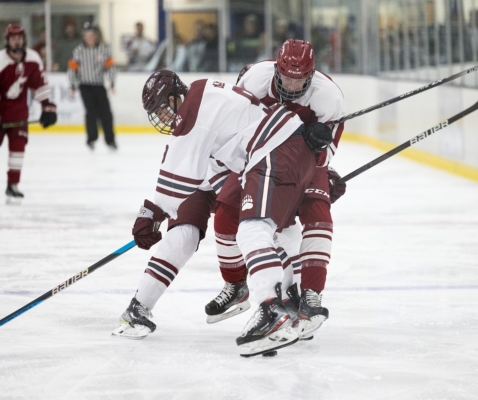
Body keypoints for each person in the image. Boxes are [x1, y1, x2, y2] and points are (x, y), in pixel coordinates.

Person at [112, 69, 334, 357]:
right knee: (261, 232)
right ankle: (286, 299)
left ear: (175, 96)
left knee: (254, 230)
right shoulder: (210, 102)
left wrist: (151, 213)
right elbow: (209, 173)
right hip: (280, 152)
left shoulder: (194, 110)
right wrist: (161, 211)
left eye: (163, 108)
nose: (164, 118)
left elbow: (177, 174)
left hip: (274, 152)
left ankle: (271, 308)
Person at [205, 39, 346, 339]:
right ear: (276, 69)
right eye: (287, 77)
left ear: (311, 74)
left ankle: (310, 295)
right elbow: (235, 126)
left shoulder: (328, 97)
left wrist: (320, 148)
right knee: (227, 211)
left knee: (318, 212)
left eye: (300, 79)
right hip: (256, 157)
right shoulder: (255, 80)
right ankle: (235, 285)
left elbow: (328, 151)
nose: (293, 84)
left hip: (303, 162)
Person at [0, 24, 57, 204]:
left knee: (18, 150)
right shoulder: (0, 61)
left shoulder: (33, 58)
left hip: (18, 115)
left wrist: (47, 106)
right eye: (13, 37)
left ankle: (13, 185)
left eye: (19, 37)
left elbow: (38, 84)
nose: (16, 40)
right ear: (7, 40)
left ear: (24, 39)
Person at [68, 22, 117, 150]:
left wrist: (112, 82)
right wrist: (73, 85)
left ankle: (110, 140)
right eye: (87, 34)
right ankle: (91, 139)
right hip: (85, 86)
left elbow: (111, 67)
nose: (89, 37)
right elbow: (72, 69)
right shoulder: (79, 51)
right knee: (91, 112)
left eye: (92, 34)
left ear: (96, 35)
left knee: (106, 113)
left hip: (99, 85)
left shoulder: (103, 50)